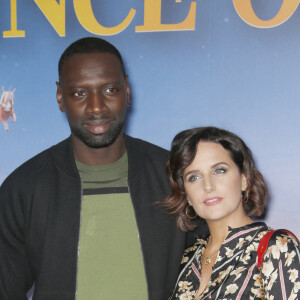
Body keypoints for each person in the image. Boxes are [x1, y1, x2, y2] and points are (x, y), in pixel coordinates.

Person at [0, 37, 202, 300]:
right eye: (79, 93)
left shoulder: (175, 178)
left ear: (127, 91)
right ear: (61, 97)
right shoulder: (23, 189)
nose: (96, 107)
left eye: (109, 90)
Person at [161, 126, 300, 299]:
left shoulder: (277, 248)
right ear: (186, 194)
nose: (208, 186)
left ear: (244, 180)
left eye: (219, 170)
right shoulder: (186, 258)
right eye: (194, 177)